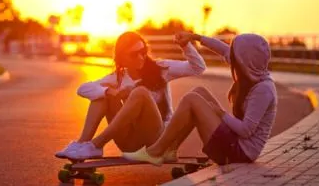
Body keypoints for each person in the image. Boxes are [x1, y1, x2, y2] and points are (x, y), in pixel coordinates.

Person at [122, 32, 278, 166]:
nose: (231, 57)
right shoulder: (252, 70)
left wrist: (221, 113)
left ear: (245, 60)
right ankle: (171, 149)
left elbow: (246, 130)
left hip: (239, 153)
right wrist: (194, 37)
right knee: (199, 92)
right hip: (234, 143)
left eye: (235, 55)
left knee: (192, 99)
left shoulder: (263, 89)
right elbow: (221, 49)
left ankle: (155, 152)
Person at [55, 30, 207, 160]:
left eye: (143, 52)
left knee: (139, 92)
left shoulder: (160, 68)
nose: (141, 57)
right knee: (102, 95)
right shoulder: (118, 77)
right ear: (122, 57)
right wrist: (110, 91)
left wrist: (185, 45)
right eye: (134, 54)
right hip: (132, 142)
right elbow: (82, 89)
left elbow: (198, 67)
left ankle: (96, 144)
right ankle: (83, 144)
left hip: (159, 139)